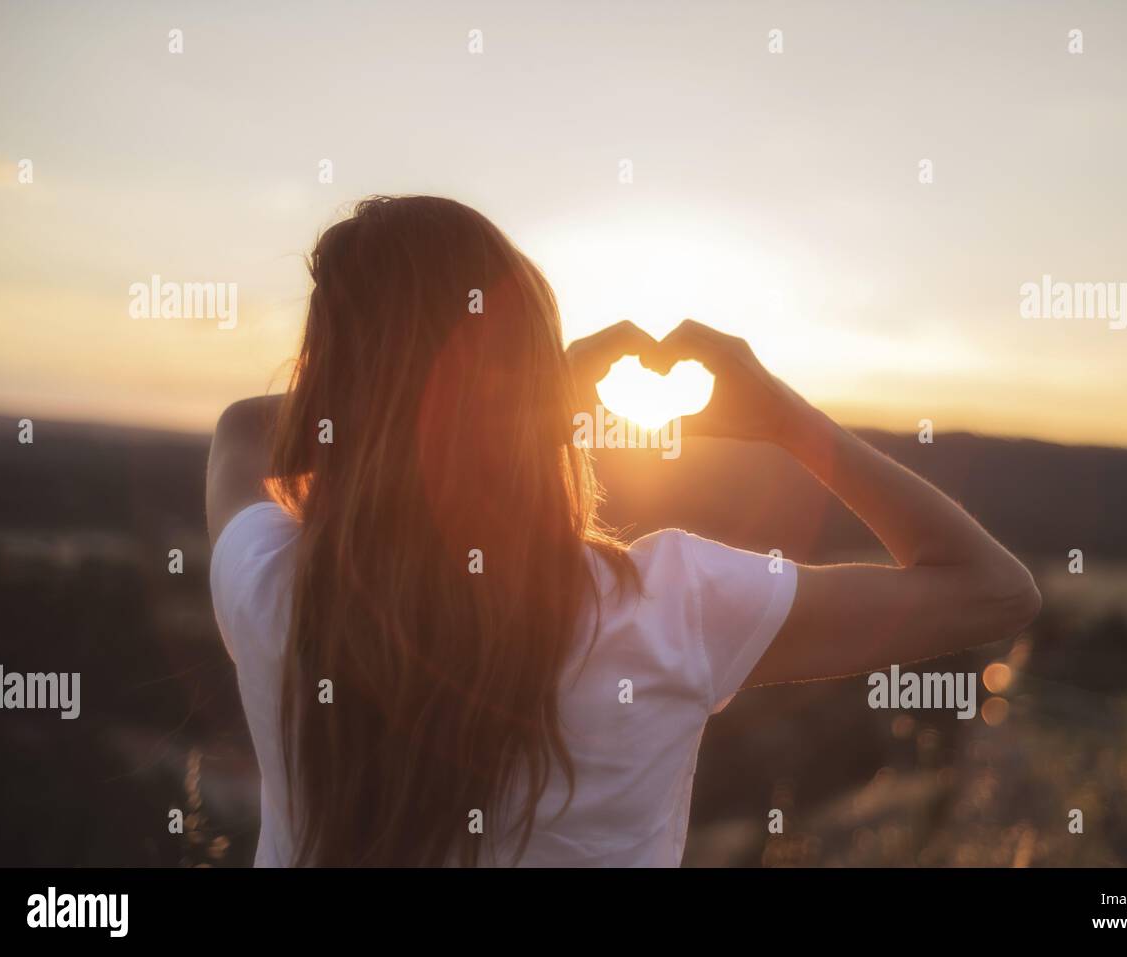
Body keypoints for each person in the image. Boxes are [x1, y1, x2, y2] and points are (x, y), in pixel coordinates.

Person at [206, 195, 1040, 867]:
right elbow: (993, 590)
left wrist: (436, 406)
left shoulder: (275, 586)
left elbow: (245, 428)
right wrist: (785, 419)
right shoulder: (671, 609)